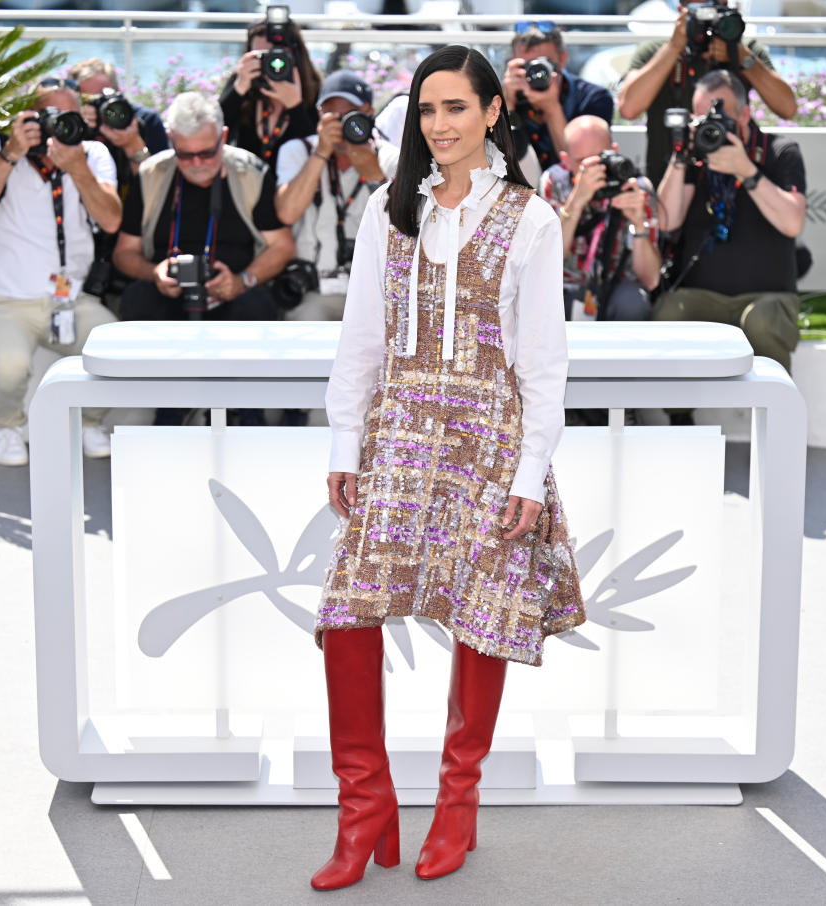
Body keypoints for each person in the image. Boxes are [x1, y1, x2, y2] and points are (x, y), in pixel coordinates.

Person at [313, 44, 585, 891]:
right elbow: (360, 340)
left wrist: (526, 476)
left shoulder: (529, 219)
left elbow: (543, 363)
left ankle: (456, 807)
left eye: (457, 107)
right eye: (428, 110)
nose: (441, 125)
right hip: (397, 433)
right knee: (348, 614)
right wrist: (343, 444)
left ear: (492, 113)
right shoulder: (389, 214)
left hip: (490, 445)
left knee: (481, 622)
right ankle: (365, 814)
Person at [0, 77, 121, 466]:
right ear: (28, 116)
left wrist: (78, 167)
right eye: (50, 114)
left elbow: (111, 219)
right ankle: (6, 426)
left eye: (68, 114)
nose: (59, 125)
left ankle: (90, 422)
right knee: (8, 367)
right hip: (3, 298)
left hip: (72, 300)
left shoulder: (92, 152)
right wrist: (11, 154)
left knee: (113, 348)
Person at [112, 91, 293, 425]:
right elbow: (124, 253)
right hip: (171, 295)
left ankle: (247, 414)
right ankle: (168, 411)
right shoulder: (152, 174)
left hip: (233, 292)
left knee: (256, 306)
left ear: (223, 138)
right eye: (185, 155)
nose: (197, 164)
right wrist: (156, 273)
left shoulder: (249, 172)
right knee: (138, 299)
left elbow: (282, 246)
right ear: (171, 142)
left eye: (207, 153)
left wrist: (242, 281)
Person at [655, 69, 806, 378]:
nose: (711, 127)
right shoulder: (695, 160)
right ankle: (679, 417)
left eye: (719, 116)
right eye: (701, 119)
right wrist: (681, 155)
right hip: (702, 299)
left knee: (763, 321)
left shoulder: (779, 152)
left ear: (745, 113)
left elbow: (793, 223)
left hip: (768, 297)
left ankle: (775, 414)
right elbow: (667, 220)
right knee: (669, 312)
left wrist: (746, 171)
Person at [618, 3, 797, 187]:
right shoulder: (656, 51)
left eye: (716, 7)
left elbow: (787, 107)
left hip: (733, 186)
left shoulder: (744, 49)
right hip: (670, 186)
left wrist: (740, 56)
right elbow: (629, 108)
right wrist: (674, 47)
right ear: (681, 11)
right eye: (698, 10)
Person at [274, 71, 399, 322]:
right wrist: (321, 153)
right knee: (307, 320)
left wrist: (374, 175)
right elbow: (286, 212)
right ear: (320, 114)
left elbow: (407, 224)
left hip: (373, 292)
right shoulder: (298, 151)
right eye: (334, 115)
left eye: (350, 115)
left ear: (368, 112)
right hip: (314, 290)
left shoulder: (389, 156)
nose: (343, 125)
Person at [539, 115, 660, 323]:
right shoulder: (556, 182)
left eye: (599, 159)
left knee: (633, 304)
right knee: (548, 305)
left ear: (614, 151)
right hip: (568, 287)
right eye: (583, 163)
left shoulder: (637, 187)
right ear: (566, 161)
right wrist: (576, 202)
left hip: (619, 288)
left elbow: (651, 279)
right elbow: (546, 262)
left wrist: (639, 224)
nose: (594, 170)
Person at [68, 58, 170, 304]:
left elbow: (162, 194)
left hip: (135, 228)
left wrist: (133, 145)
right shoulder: (70, 128)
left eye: (104, 97)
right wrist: (79, 133)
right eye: (88, 101)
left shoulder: (142, 122)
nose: (100, 108)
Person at [502, 21, 614, 173]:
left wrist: (552, 109)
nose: (537, 73)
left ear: (562, 60)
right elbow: (501, 161)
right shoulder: (500, 97)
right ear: (513, 63)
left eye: (544, 63)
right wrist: (508, 105)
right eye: (527, 66)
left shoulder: (594, 98)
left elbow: (581, 169)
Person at [219, 10, 320, 173]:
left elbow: (317, 151)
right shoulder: (241, 86)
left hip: (294, 190)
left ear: (295, 55)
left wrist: (295, 105)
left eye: (277, 56)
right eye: (262, 57)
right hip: (246, 187)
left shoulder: (314, 91)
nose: (273, 64)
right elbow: (215, 127)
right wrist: (239, 88)